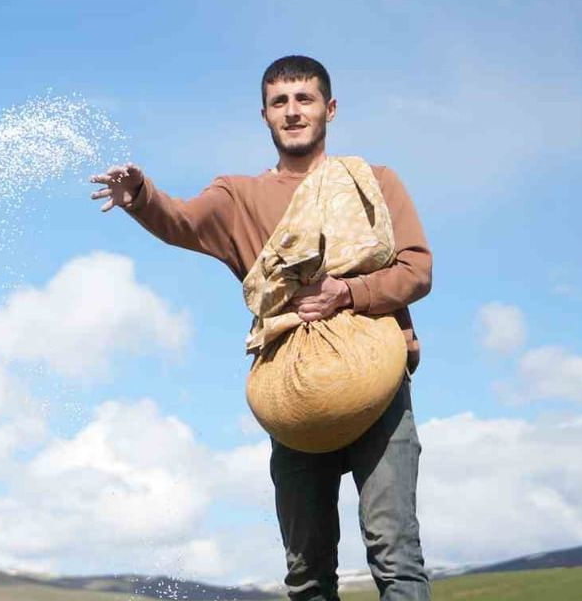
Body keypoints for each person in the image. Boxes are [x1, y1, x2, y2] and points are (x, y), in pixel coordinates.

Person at [90, 55, 433, 601]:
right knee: (306, 569)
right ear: (265, 115)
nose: (293, 112)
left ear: (330, 109)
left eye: (305, 99)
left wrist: (349, 292)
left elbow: (417, 270)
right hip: (292, 390)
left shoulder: (373, 183)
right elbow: (180, 220)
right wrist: (140, 195)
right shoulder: (238, 195)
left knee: (396, 554)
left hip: (381, 390)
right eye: (280, 102)